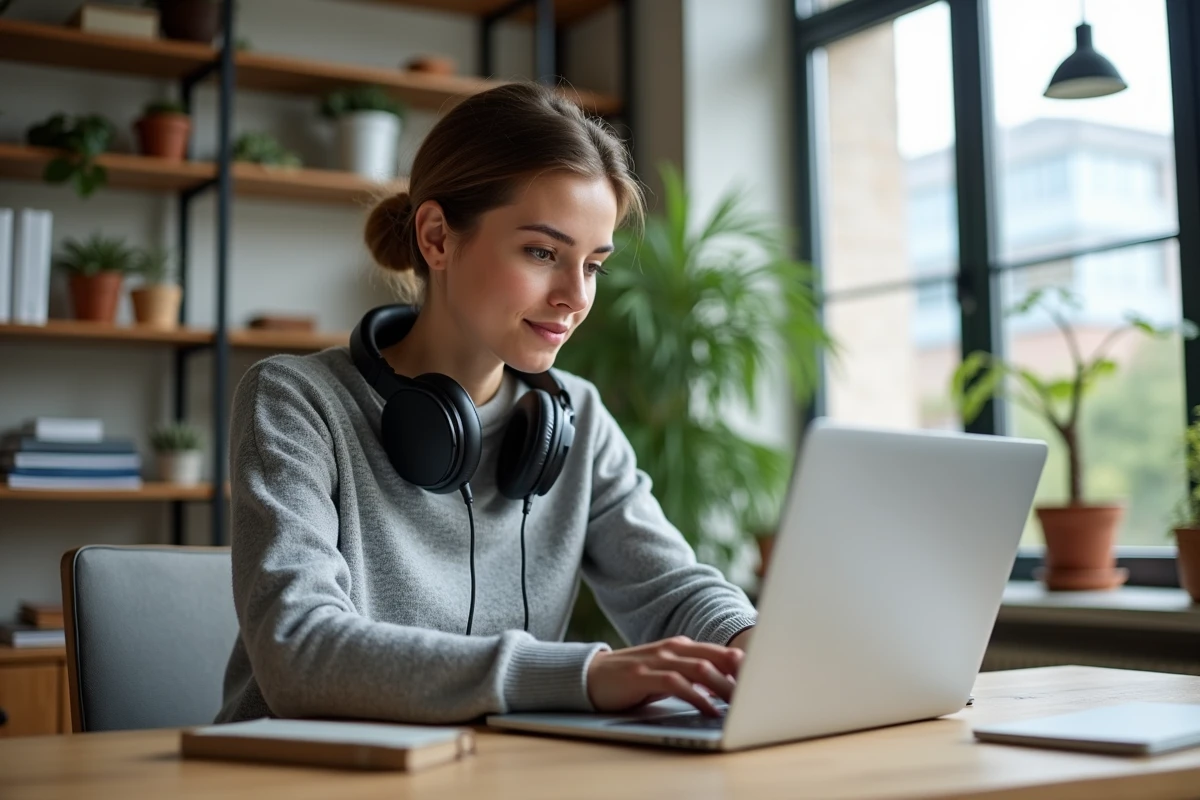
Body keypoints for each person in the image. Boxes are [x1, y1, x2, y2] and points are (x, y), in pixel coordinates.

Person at [215, 81, 757, 726]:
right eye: (542, 253)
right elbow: (297, 653)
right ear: (438, 238)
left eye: (593, 266)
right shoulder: (296, 402)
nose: (574, 297)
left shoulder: (574, 418)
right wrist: (580, 674)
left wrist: (753, 650)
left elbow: (671, 587)